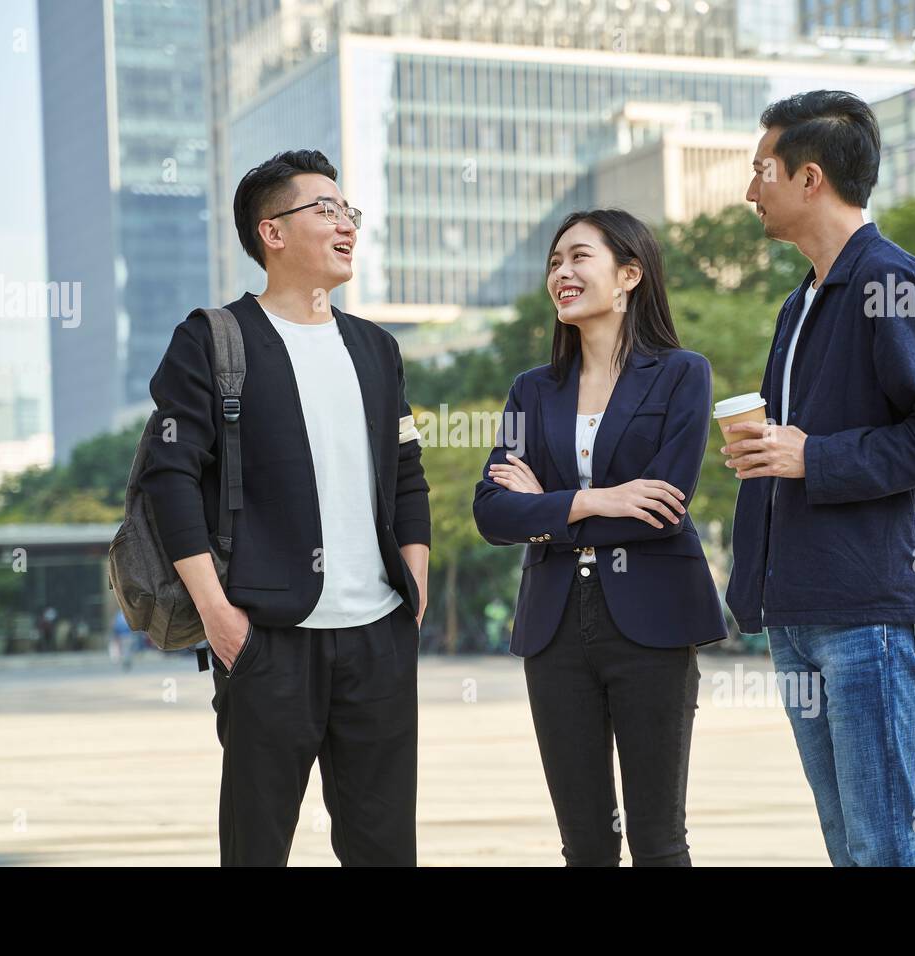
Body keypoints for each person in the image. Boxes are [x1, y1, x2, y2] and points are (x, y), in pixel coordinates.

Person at [138, 149, 431, 866]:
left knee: (385, 849)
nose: (346, 225)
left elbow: (406, 473)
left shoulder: (376, 348)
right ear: (272, 232)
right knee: (256, 847)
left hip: (377, 637)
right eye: (325, 210)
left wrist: (412, 591)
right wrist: (218, 614)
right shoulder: (213, 339)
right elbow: (169, 477)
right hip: (267, 635)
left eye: (348, 212)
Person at [723, 91, 915, 866]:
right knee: (849, 842)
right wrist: (771, 455)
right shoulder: (797, 303)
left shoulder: (893, 280)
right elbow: (805, 440)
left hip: (871, 609)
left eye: (760, 171)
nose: (749, 191)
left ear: (810, 178)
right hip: (800, 607)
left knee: (882, 840)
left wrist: (816, 456)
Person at [473, 209, 727, 866]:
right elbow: (494, 512)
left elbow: (663, 506)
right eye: (555, 262)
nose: (562, 273)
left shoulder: (681, 374)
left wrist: (549, 510)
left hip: (654, 624)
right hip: (554, 631)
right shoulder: (532, 390)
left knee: (658, 841)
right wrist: (596, 499)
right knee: (584, 843)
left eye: (579, 257)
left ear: (629, 275)